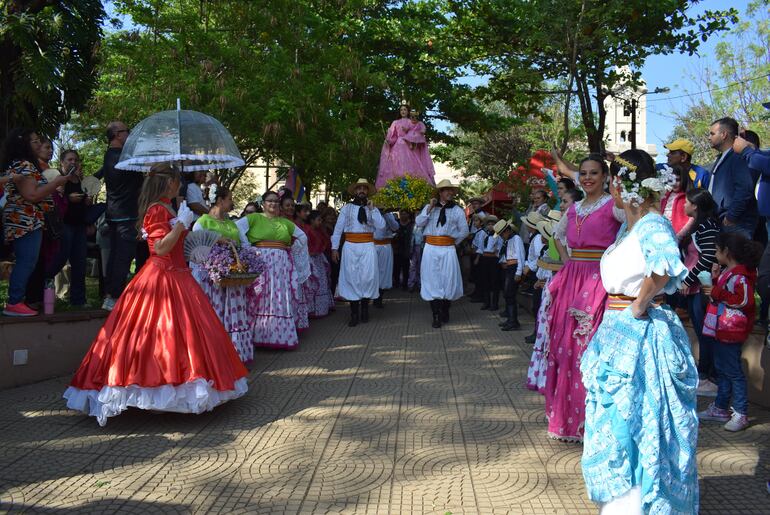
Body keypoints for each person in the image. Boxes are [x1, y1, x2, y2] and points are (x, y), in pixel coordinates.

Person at [63, 164, 248, 426]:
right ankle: (152, 394)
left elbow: (175, 245)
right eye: (176, 181)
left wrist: (197, 242)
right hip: (160, 279)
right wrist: (180, 225)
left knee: (181, 337)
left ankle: (166, 394)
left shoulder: (169, 208)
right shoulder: (156, 209)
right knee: (158, 336)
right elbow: (160, 248)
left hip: (178, 275)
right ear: (168, 183)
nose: (179, 186)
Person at [581, 149, 698, 513]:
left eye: (612, 180)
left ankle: (641, 504)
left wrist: (638, 306)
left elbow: (663, 268)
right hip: (618, 328)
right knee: (615, 416)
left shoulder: (653, 224)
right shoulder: (628, 227)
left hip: (643, 333)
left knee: (642, 416)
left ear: (619, 182)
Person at [545, 153, 624, 442]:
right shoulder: (574, 207)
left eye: (594, 173)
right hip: (572, 279)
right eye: (584, 174)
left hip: (600, 278)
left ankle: (593, 420)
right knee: (566, 345)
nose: (588, 178)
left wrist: (613, 263)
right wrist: (567, 263)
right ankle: (567, 418)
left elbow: (633, 228)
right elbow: (557, 235)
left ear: (604, 177)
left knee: (589, 345)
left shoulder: (613, 206)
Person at [1, 129, 73, 316]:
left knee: (28, 261)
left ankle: (17, 301)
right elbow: (31, 195)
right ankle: (14, 302)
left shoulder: (18, 164)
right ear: (23, 144)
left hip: (26, 219)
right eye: (34, 142)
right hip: (26, 220)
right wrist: (57, 182)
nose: (39, 145)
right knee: (27, 261)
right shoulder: (24, 165)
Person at [698, 232, 762, 432]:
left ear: (727, 252)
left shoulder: (740, 276)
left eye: (717, 250)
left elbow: (744, 301)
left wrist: (717, 291)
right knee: (723, 370)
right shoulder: (729, 272)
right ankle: (720, 407)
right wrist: (715, 282)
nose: (715, 254)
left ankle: (741, 413)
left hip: (731, 330)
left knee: (733, 372)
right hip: (722, 328)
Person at [237, 190, 308, 349]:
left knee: (279, 295)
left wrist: (292, 249)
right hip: (261, 261)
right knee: (260, 295)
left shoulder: (285, 222)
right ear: (263, 203)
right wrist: (248, 247)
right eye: (270, 201)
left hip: (281, 265)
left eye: (276, 201)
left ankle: (281, 337)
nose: (273, 204)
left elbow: (303, 237)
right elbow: (237, 228)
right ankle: (259, 335)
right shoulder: (254, 218)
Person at [191, 187, 254, 363]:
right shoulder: (202, 222)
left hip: (233, 277)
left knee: (234, 313)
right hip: (214, 280)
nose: (231, 202)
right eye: (229, 199)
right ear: (220, 201)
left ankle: (236, 353)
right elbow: (195, 251)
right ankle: (216, 354)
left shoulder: (232, 223)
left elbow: (244, 244)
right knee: (216, 312)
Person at [679, 188, 721, 397]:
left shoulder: (707, 226)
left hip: (701, 287)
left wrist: (689, 278)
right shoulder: (696, 225)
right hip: (693, 287)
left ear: (695, 205)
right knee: (700, 330)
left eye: (686, 202)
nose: (684, 206)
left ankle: (709, 377)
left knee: (706, 332)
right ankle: (705, 374)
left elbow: (708, 256)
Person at [101, 120, 145, 312]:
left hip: (115, 214)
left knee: (115, 256)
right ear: (117, 135)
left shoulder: (110, 156)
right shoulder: (122, 158)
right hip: (126, 215)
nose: (129, 134)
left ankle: (109, 294)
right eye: (127, 131)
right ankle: (114, 296)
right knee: (123, 257)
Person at [415, 179, 469, 328]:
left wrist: (452, 242)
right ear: (440, 192)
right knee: (432, 280)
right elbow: (419, 223)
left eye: (451, 190)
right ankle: (435, 315)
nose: (449, 193)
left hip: (448, 249)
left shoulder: (457, 210)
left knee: (448, 280)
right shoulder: (430, 207)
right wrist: (429, 208)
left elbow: (464, 231)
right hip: (431, 248)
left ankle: (445, 309)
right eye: (446, 190)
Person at [331, 178, 384, 326]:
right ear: (355, 191)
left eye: (364, 188)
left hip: (368, 246)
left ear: (367, 191)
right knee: (351, 277)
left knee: (368, 277)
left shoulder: (372, 208)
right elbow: (338, 229)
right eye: (359, 188)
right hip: (350, 246)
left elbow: (381, 226)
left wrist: (373, 210)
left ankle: (365, 309)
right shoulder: (346, 208)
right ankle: (354, 313)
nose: (361, 190)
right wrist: (334, 248)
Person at [46, 149, 91, 307]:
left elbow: (86, 202)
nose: (73, 162)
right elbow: (52, 200)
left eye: (75, 160)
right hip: (64, 225)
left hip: (79, 225)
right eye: (70, 160)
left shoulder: (80, 179)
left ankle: (78, 300)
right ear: (62, 162)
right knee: (59, 259)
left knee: (79, 263)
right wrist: (67, 197)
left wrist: (87, 201)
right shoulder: (58, 179)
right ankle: (42, 288)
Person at [707, 117, 757, 237]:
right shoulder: (721, 158)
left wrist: (731, 216)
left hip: (737, 223)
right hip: (722, 220)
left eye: (712, 134)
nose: (709, 138)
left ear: (724, 134)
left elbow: (745, 188)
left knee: (736, 255)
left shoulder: (738, 156)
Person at [526, 218, 558, 393]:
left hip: (551, 288)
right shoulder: (548, 246)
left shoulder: (554, 246)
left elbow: (551, 269)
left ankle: (545, 376)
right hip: (548, 287)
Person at [376, 101, 436, 188]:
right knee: (395, 167)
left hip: (409, 148)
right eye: (401, 110)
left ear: (408, 111)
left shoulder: (412, 122)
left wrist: (412, 137)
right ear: (400, 112)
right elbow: (394, 137)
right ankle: (396, 186)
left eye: (405, 110)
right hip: (397, 148)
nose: (403, 111)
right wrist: (389, 141)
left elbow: (416, 133)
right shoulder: (395, 122)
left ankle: (412, 186)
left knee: (412, 167)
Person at [495, 219, 525, 331]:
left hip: (514, 267)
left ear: (507, 231)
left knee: (510, 293)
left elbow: (521, 255)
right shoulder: (508, 240)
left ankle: (513, 321)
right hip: (509, 267)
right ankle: (510, 318)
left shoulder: (516, 239)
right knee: (507, 293)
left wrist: (519, 271)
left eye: (502, 233)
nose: (501, 236)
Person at [305, 210, 333, 318]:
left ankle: (321, 309)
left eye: (321, 220)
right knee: (314, 283)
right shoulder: (307, 230)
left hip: (319, 258)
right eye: (319, 220)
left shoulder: (319, 230)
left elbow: (325, 242)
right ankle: (313, 310)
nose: (321, 222)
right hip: (311, 259)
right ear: (312, 220)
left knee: (322, 282)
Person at [373, 208, 399, 307]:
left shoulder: (389, 214)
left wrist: (387, 215)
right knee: (373, 272)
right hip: (372, 245)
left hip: (385, 245)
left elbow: (395, 227)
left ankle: (379, 297)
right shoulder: (371, 211)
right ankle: (372, 295)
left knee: (384, 272)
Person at [475, 215, 501, 311]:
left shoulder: (498, 235)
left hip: (493, 260)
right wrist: (478, 257)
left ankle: (494, 303)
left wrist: (496, 250)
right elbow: (481, 247)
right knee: (485, 281)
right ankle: (486, 302)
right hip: (485, 259)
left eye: (492, 224)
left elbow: (500, 247)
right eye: (489, 224)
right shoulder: (486, 235)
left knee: (494, 281)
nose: (490, 226)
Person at [392, 209, 413, 290]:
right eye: (402, 214)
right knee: (396, 268)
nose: (403, 215)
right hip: (396, 249)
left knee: (406, 268)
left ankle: (405, 284)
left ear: (408, 215)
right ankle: (396, 283)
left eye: (405, 214)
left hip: (406, 249)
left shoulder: (411, 224)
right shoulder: (396, 223)